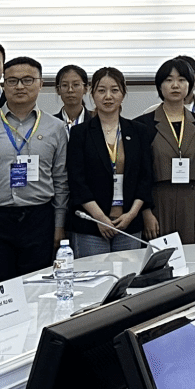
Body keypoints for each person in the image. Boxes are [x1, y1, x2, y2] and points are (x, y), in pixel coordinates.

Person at [0, 55, 70, 285]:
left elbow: (61, 180)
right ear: (3, 85)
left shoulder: (56, 127)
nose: (20, 86)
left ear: (41, 84)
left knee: (37, 287)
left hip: (39, 219)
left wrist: (59, 225)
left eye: (28, 80)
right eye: (12, 81)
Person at [68, 66, 154, 254]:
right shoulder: (80, 133)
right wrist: (99, 218)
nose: (108, 96)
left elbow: (145, 178)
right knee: (94, 272)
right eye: (101, 90)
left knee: (129, 272)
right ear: (92, 94)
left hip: (129, 223)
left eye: (114, 90)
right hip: (91, 224)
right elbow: (77, 181)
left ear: (123, 94)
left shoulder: (138, 131)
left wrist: (132, 214)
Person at [145, 62, 195, 243]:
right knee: (159, 256)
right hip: (158, 203)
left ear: (190, 85)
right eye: (169, 80)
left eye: (182, 80)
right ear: (159, 85)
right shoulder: (144, 124)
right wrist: (146, 212)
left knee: (193, 256)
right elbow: (141, 173)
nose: (175, 85)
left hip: (193, 202)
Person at [53, 65, 92, 130]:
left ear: (85, 88)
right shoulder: (50, 124)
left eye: (76, 84)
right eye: (65, 85)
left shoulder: (97, 121)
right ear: (58, 90)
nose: (70, 90)